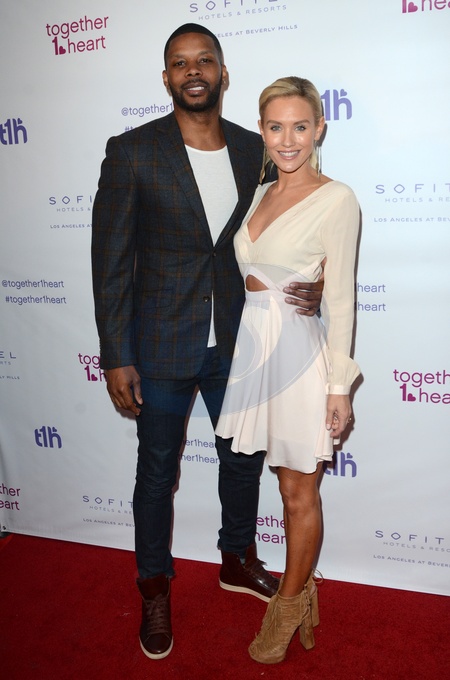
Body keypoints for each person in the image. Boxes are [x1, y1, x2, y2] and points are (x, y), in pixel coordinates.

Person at [91, 26, 323, 661]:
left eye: (205, 61)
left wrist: (317, 279)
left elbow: (297, 220)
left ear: (224, 73)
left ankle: (236, 557)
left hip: (239, 343)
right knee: (156, 472)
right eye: (180, 63)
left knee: (243, 459)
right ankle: (154, 587)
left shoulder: (255, 149)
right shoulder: (132, 152)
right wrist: (116, 354)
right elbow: (110, 263)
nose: (193, 71)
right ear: (166, 77)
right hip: (160, 343)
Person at [216, 76, 361, 664]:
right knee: (281, 482)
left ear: (319, 128)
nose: (288, 139)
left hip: (301, 359)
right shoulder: (258, 193)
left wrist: (338, 387)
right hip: (255, 355)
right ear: (262, 130)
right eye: (276, 127)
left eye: (300, 126)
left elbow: (342, 300)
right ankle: (298, 592)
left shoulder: (337, 198)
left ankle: (290, 604)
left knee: (299, 491)